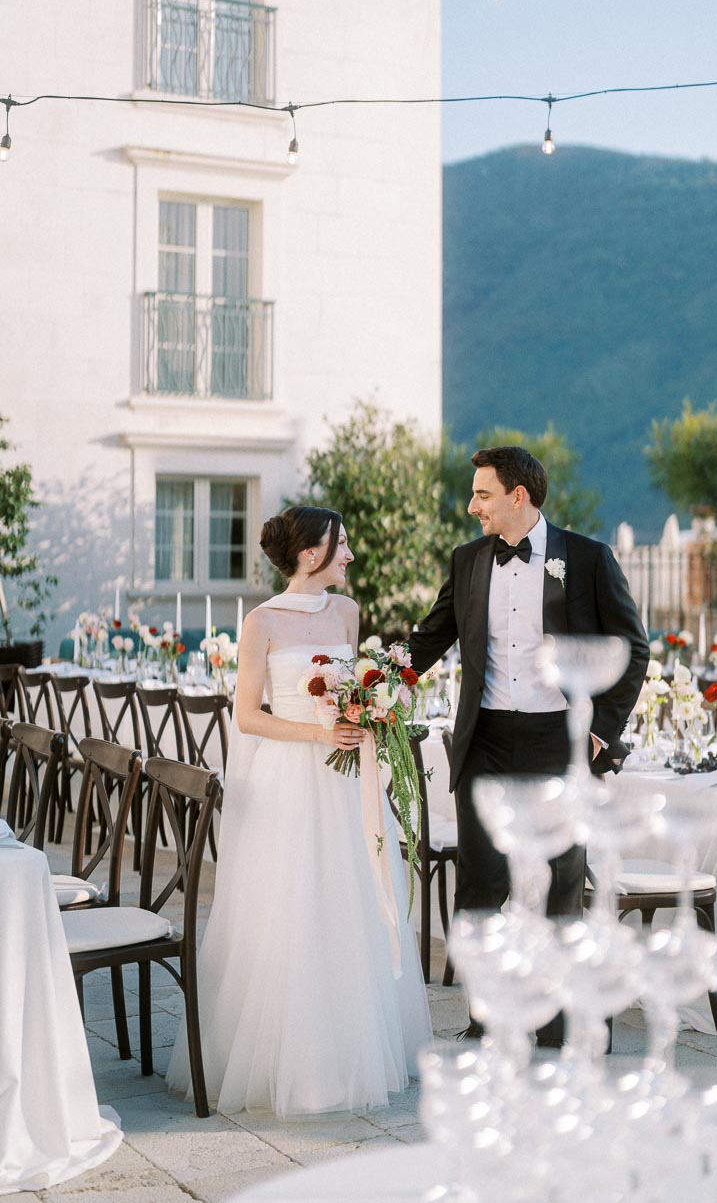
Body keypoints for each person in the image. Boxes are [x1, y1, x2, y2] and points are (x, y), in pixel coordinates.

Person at [167, 506, 431, 1116]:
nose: (351, 557)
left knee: (350, 904)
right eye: (342, 546)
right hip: (290, 776)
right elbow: (247, 715)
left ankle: (354, 1050)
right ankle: (291, 1064)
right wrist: (320, 735)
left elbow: (358, 684)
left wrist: (369, 712)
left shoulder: (346, 612)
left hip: (344, 785)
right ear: (312, 554)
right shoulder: (260, 622)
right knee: (290, 907)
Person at [409, 446, 649, 1043]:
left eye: (482, 494)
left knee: (562, 880)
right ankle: (489, 1015)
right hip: (485, 738)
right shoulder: (467, 561)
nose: (472, 506)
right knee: (482, 882)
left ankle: (558, 1021)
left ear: (519, 496)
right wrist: (368, 684)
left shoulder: (588, 559)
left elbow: (632, 647)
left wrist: (600, 732)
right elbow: (429, 638)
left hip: (559, 739)